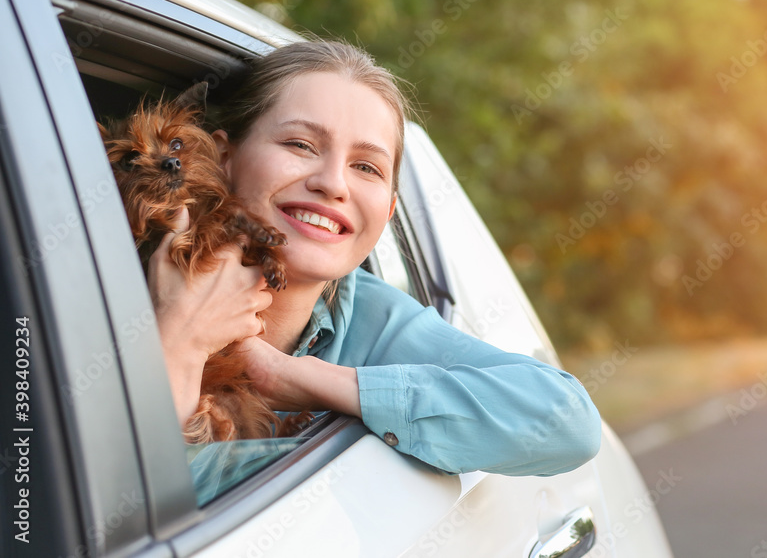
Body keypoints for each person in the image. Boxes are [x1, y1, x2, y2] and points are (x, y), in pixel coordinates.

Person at [147, 40, 602, 480]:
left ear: (386, 211)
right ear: (225, 156)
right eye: (301, 145)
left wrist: (307, 379)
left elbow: (567, 421)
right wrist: (181, 338)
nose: (333, 184)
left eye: (367, 167)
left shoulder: (373, 319)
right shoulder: (113, 281)